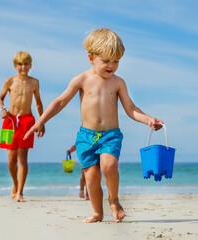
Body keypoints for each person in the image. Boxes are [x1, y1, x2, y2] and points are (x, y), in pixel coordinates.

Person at [24, 28, 163, 222]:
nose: (111, 65)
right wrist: (41, 121)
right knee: (91, 176)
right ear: (91, 58)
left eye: (116, 61)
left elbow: (131, 108)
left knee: (109, 165)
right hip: (86, 137)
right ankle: (97, 212)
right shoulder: (82, 79)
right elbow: (60, 101)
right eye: (106, 60)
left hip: (110, 135)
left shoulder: (118, 83)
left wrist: (147, 119)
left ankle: (114, 200)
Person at [0, 51, 45, 202]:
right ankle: (15, 184)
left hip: (27, 120)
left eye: (26, 64)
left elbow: (38, 103)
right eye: (20, 64)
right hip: (9, 121)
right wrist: (2, 109)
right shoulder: (9, 81)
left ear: (30, 65)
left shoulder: (34, 82)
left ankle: (20, 192)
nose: (23, 67)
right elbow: (0, 99)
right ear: (15, 66)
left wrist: (41, 122)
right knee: (11, 161)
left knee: (23, 158)